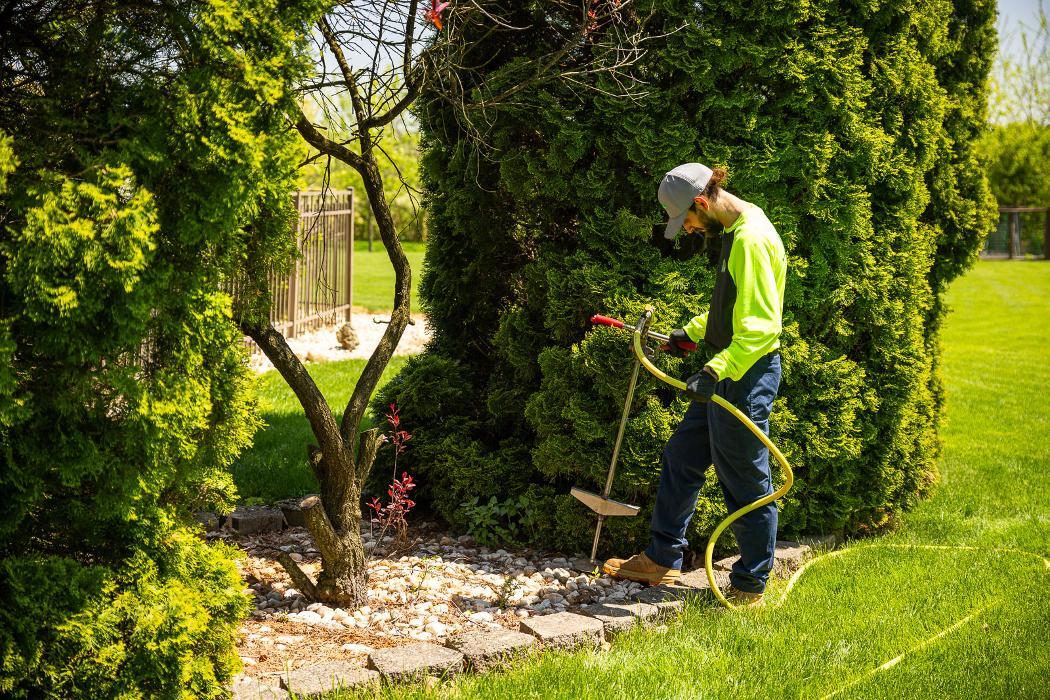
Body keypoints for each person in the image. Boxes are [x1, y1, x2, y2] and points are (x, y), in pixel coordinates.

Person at [602, 162, 787, 605]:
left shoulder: (752, 241)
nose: (685, 228)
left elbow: (760, 328)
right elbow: (733, 307)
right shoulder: (737, 230)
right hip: (728, 367)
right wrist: (694, 330)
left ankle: (749, 585)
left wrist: (712, 371)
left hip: (746, 374)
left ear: (701, 203)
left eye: (685, 218)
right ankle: (663, 555)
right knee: (682, 455)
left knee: (745, 478)